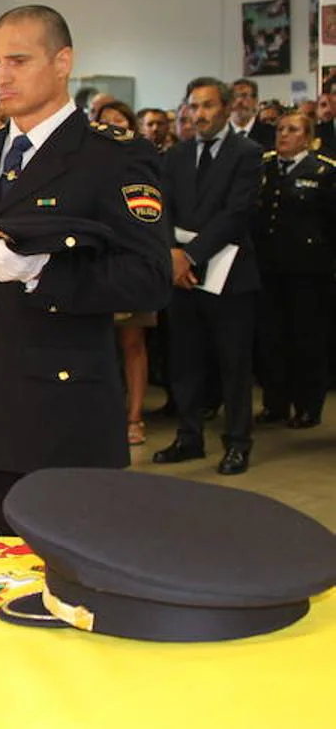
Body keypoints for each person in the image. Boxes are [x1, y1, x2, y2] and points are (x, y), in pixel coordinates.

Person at [0, 5, 172, 536]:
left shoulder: (111, 158)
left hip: (66, 415)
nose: (2, 77)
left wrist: (43, 274)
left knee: (72, 573)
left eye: (18, 60)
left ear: (63, 62)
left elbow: (149, 276)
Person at [153, 77, 263, 476]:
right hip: (180, 273)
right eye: (194, 106)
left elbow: (236, 214)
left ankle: (237, 442)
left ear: (227, 107)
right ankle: (189, 436)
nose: (199, 114)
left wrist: (191, 256)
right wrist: (171, 254)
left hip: (230, 274)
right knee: (185, 359)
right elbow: (161, 208)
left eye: (207, 106)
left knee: (233, 363)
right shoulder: (176, 156)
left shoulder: (247, 153)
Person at [253, 111, 336, 429]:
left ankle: (307, 405)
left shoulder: (323, 171)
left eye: (292, 130)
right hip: (269, 267)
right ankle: (275, 402)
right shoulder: (265, 167)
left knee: (307, 340)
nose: (283, 135)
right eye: (280, 129)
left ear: (308, 137)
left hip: (308, 271)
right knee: (271, 338)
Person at [94, 102, 157, 446]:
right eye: (106, 123)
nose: (114, 128)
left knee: (133, 343)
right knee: (99, 344)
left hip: (131, 262)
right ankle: (104, 414)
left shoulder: (141, 160)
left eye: (120, 122)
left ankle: (134, 417)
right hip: (96, 266)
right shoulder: (87, 163)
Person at [228, 78, 275, 149]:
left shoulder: (272, 133)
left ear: (255, 100)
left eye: (245, 96)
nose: (239, 101)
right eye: (235, 96)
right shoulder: (217, 134)